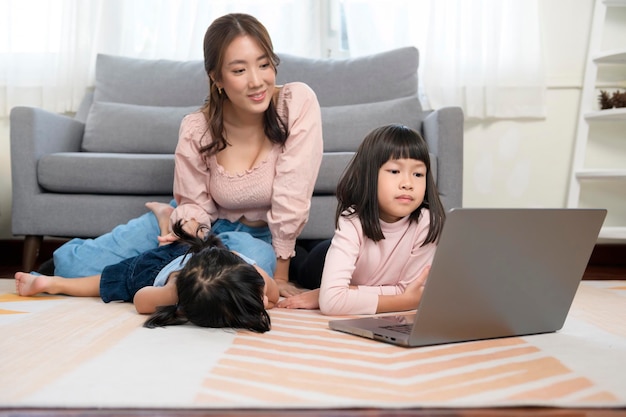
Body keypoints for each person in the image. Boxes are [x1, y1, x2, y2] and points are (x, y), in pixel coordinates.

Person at [42, 13, 323, 297]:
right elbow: (196, 205)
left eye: (264, 65)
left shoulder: (296, 103)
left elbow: (293, 194)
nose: (256, 81)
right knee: (72, 267)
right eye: (239, 71)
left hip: (257, 238)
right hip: (201, 224)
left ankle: (162, 258)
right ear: (217, 78)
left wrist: (282, 274)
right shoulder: (197, 128)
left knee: (239, 274)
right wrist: (187, 230)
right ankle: (169, 229)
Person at [277, 124, 446, 315]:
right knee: (301, 265)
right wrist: (403, 301)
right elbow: (333, 302)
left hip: (356, 270)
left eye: (418, 174)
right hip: (322, 260)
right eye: (395, 171)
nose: (408, 184)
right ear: (369, 175)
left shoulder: (428, 223)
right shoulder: (353, 219)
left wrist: (347, 292)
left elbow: (409, 291)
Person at [15, 221, 279, 333]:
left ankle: (48, 282)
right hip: (160, 266)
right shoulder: (175, 290)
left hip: (213, 251)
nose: (265, 301)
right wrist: (173, 295)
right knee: (117, 281)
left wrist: (263, 291)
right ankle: (55, 282)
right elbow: (141, 300)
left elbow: (273, 291)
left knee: (260, 254)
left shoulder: (249, 270)